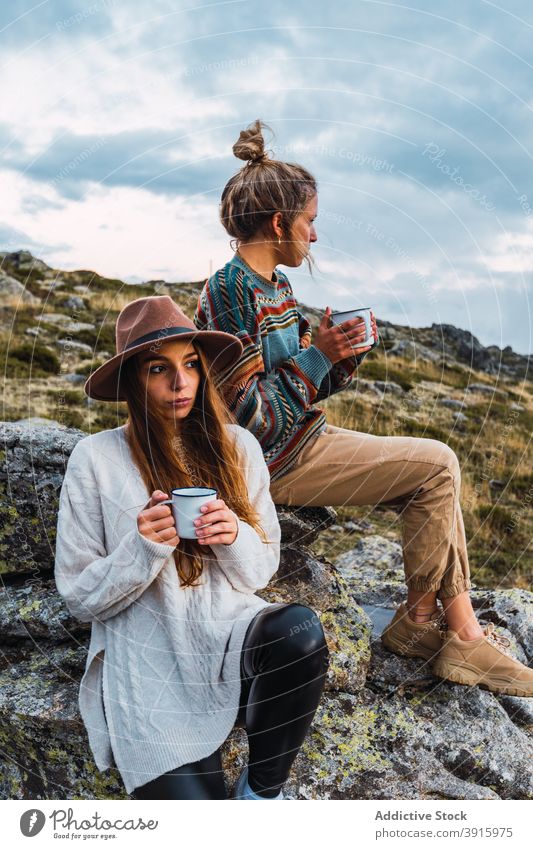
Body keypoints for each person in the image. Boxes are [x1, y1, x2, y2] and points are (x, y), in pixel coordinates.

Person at [193, 118, 533, 698]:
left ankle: (439, 625)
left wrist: (339, 357)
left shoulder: (274, 286)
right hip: (268, 464)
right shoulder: (230, 291)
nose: (315, 236)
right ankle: (439, 629)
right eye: (310, 221)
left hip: (300, 441)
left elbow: (294, 390)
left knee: (435, 469)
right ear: (279, 223)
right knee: (437, 465)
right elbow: (254, 420)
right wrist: (316, 356)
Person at [54, 294, 330, 800]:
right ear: (134, 379)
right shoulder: (94, 459)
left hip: (229, 638)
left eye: (190, 365)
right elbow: (77, 595)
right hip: (148, 665)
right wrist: (142, 548)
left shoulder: (237, 446)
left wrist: (233, 535)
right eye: (160, 369)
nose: (180, 383)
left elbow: (260, 569)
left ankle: (262, 793)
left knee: (300, 630)